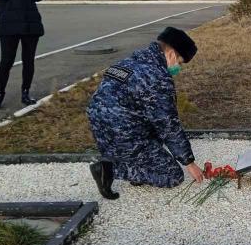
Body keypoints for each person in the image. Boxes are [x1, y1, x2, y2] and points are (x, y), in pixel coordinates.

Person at [86, 26, 204, 199]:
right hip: (123, 131)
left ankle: (127, 160)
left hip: (100, 125)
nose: (178, 68)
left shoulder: (133, 59)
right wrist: (189, 162)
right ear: (171, 54)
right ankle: (110, 169)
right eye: (179, 62)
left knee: (153, 137)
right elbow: (168, 125)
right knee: (172, 176)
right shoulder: (157, 78)